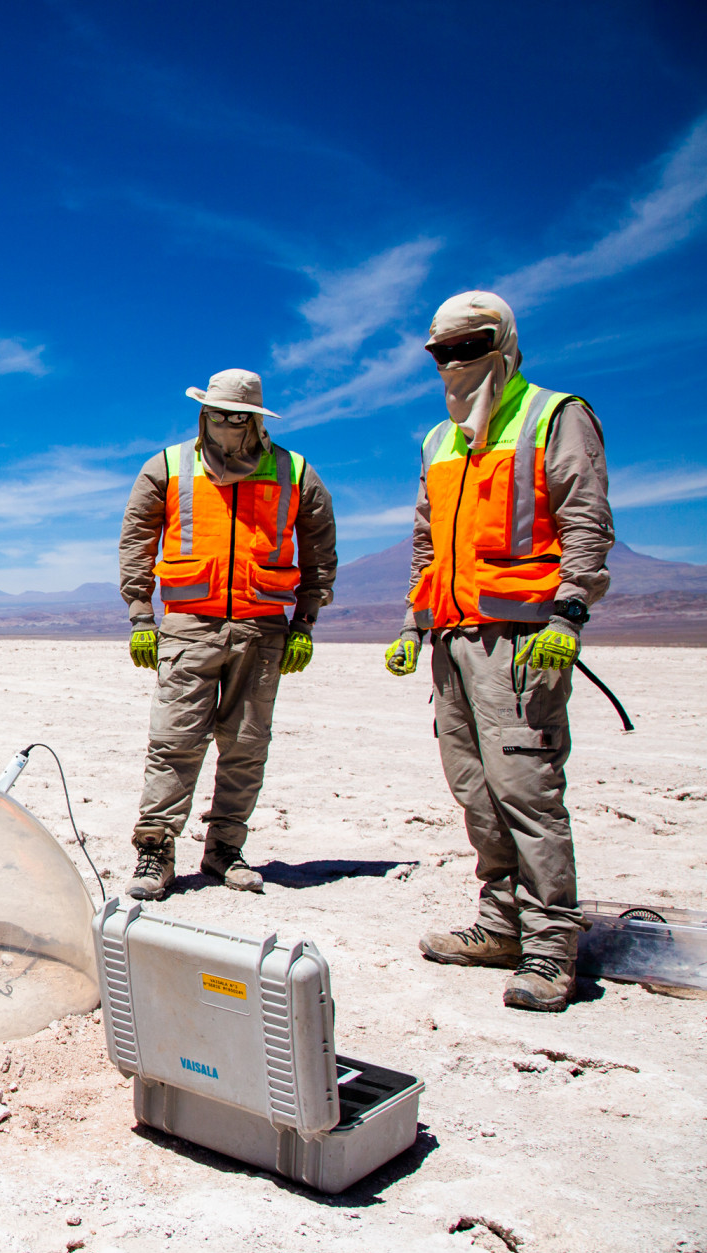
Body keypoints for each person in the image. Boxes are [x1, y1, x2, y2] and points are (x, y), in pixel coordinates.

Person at [386, 290, 613, 1013]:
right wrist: (415, 624)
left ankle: (550, 952)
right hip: (452, 641)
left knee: (528, 794)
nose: (455, 362)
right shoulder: (439, 440)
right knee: (476, 793)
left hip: (522, 642)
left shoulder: (554, 415)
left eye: (469, 346)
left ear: (504, 341)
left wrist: (569, 613)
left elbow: (585, 517)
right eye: (441, 352)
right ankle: (502, 926)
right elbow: (429, 542)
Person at [118, 369, 337, 900]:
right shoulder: (168, 466)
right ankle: (155, 851)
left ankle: (223, 851)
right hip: (189, 626)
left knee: (245, 746)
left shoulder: (295, 471)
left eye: (238, 417)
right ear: (203, 413)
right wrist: (141, 614)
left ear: (256, 418)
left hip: (264, 628)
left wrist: (305, 621)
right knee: (174, 742)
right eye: (217, 414)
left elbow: (319, 550)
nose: (226, 424)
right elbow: (137, 538)